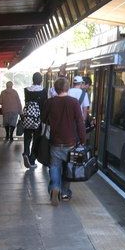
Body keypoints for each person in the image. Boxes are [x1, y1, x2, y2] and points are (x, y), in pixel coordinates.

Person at [42, 77, 86, 206]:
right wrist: (82, 139)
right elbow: (80, 123)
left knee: (55, 166)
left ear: (55, 88)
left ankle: (55, 187)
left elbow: (43, 119)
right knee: (68, 167)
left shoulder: (50, 102)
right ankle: (65, 192)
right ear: (67, 88)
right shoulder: (74, 102)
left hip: (55, 141)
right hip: (71, 142)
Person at [22, 72, 48, 169]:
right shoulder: (43, 91)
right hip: (38, 118)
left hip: (28, 117)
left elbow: (26, 102)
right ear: (41, 80)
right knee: (36, 139)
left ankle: (25, 152)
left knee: (27, 136)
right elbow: (45, 106)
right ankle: (32, 159)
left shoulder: (26, 90)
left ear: (33, 79)